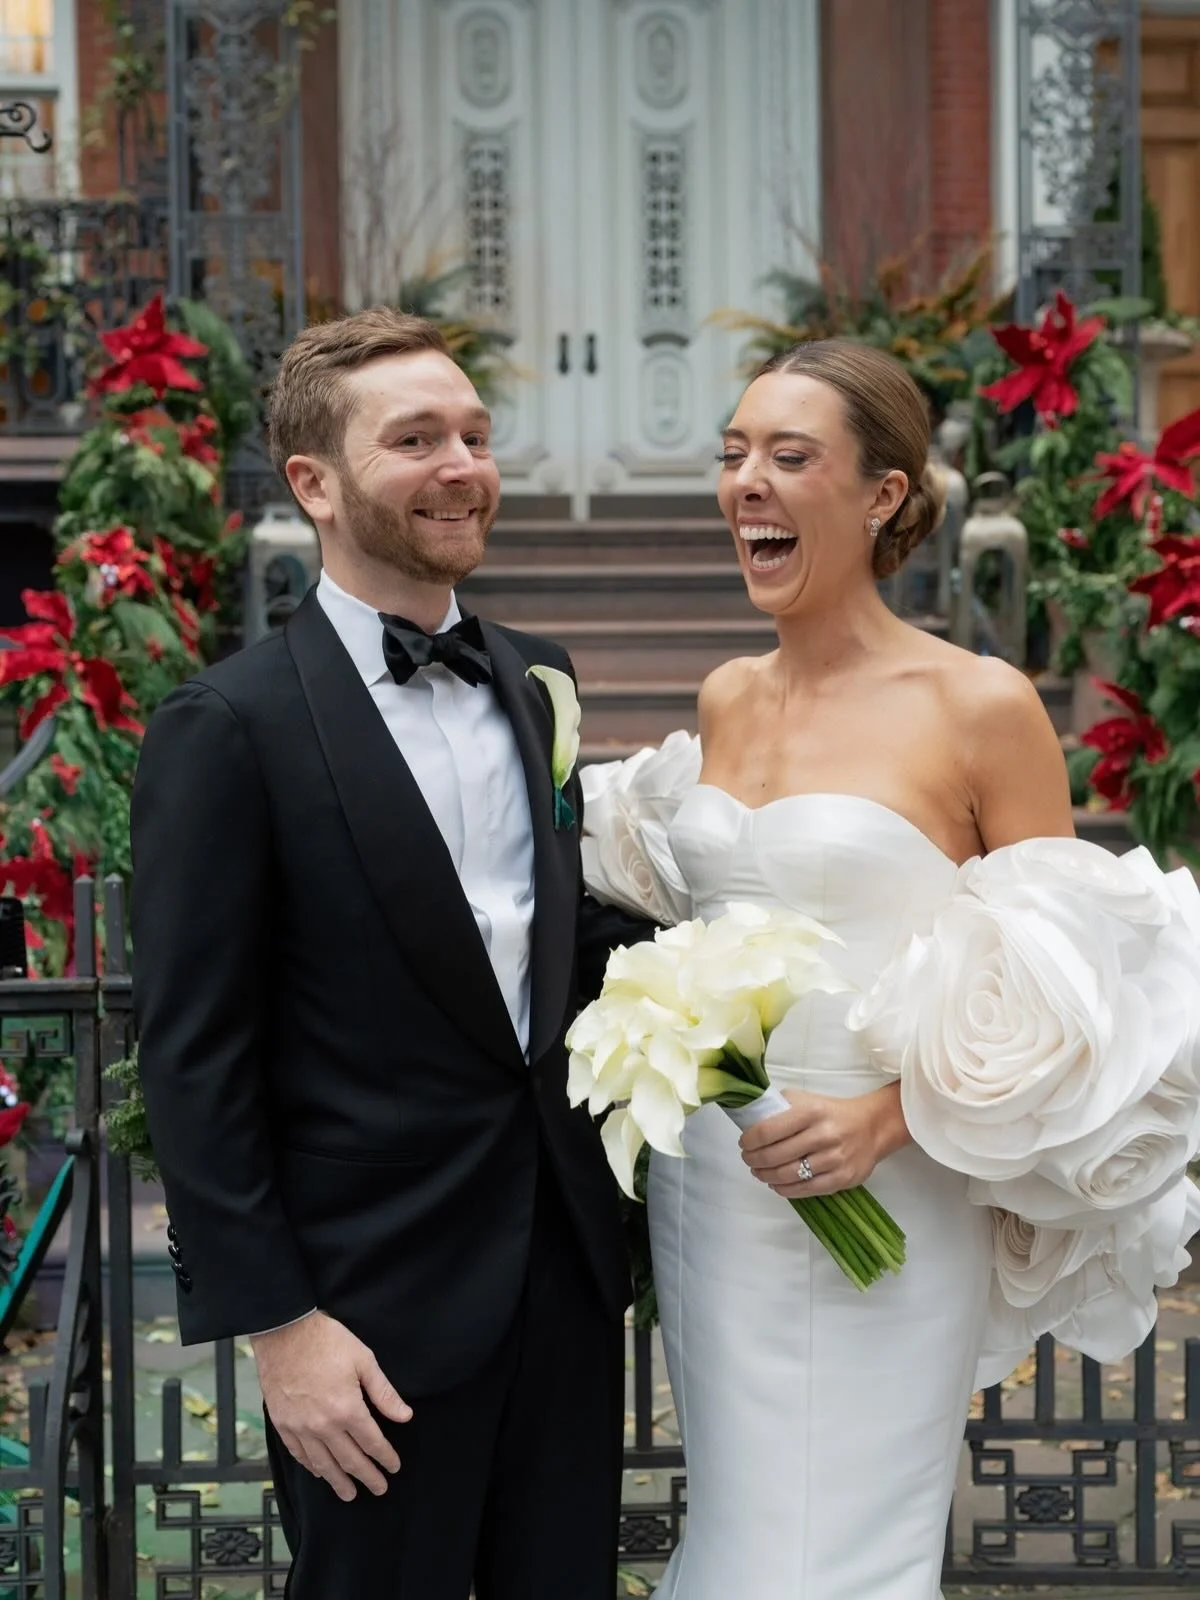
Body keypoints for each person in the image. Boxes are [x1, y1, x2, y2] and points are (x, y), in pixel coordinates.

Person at [579, 338, 1196, 1599]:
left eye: (790, 456)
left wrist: (893, 1115)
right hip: (721, 1190)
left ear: (885, 496)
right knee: (742, 1531)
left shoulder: (978, 703)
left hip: (893, 1193)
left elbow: (1077, 988)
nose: (746, 480)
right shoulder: (727, 696)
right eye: (735, 452)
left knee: (846, 1551)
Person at [130, 307, 647, 1599]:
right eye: (415, 439)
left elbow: (542, 941)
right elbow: (192, 1063)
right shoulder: (226, 727)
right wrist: (277, 1329)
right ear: (314, 483)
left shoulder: (538, 680)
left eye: (474, 434)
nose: (463, 465)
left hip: (563, 1282)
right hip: (363, 1321)